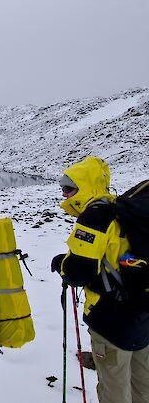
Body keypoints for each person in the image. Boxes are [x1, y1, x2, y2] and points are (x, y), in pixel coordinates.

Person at [51, 156, 149, 403]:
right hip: (141, 309)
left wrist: (61, 263)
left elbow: (79, 271)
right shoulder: (121, 207)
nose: (65, 195)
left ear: (85, 186)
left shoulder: (95, 216)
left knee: (114, 389)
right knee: (143, 385)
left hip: (110, 318)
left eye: (69, 189)